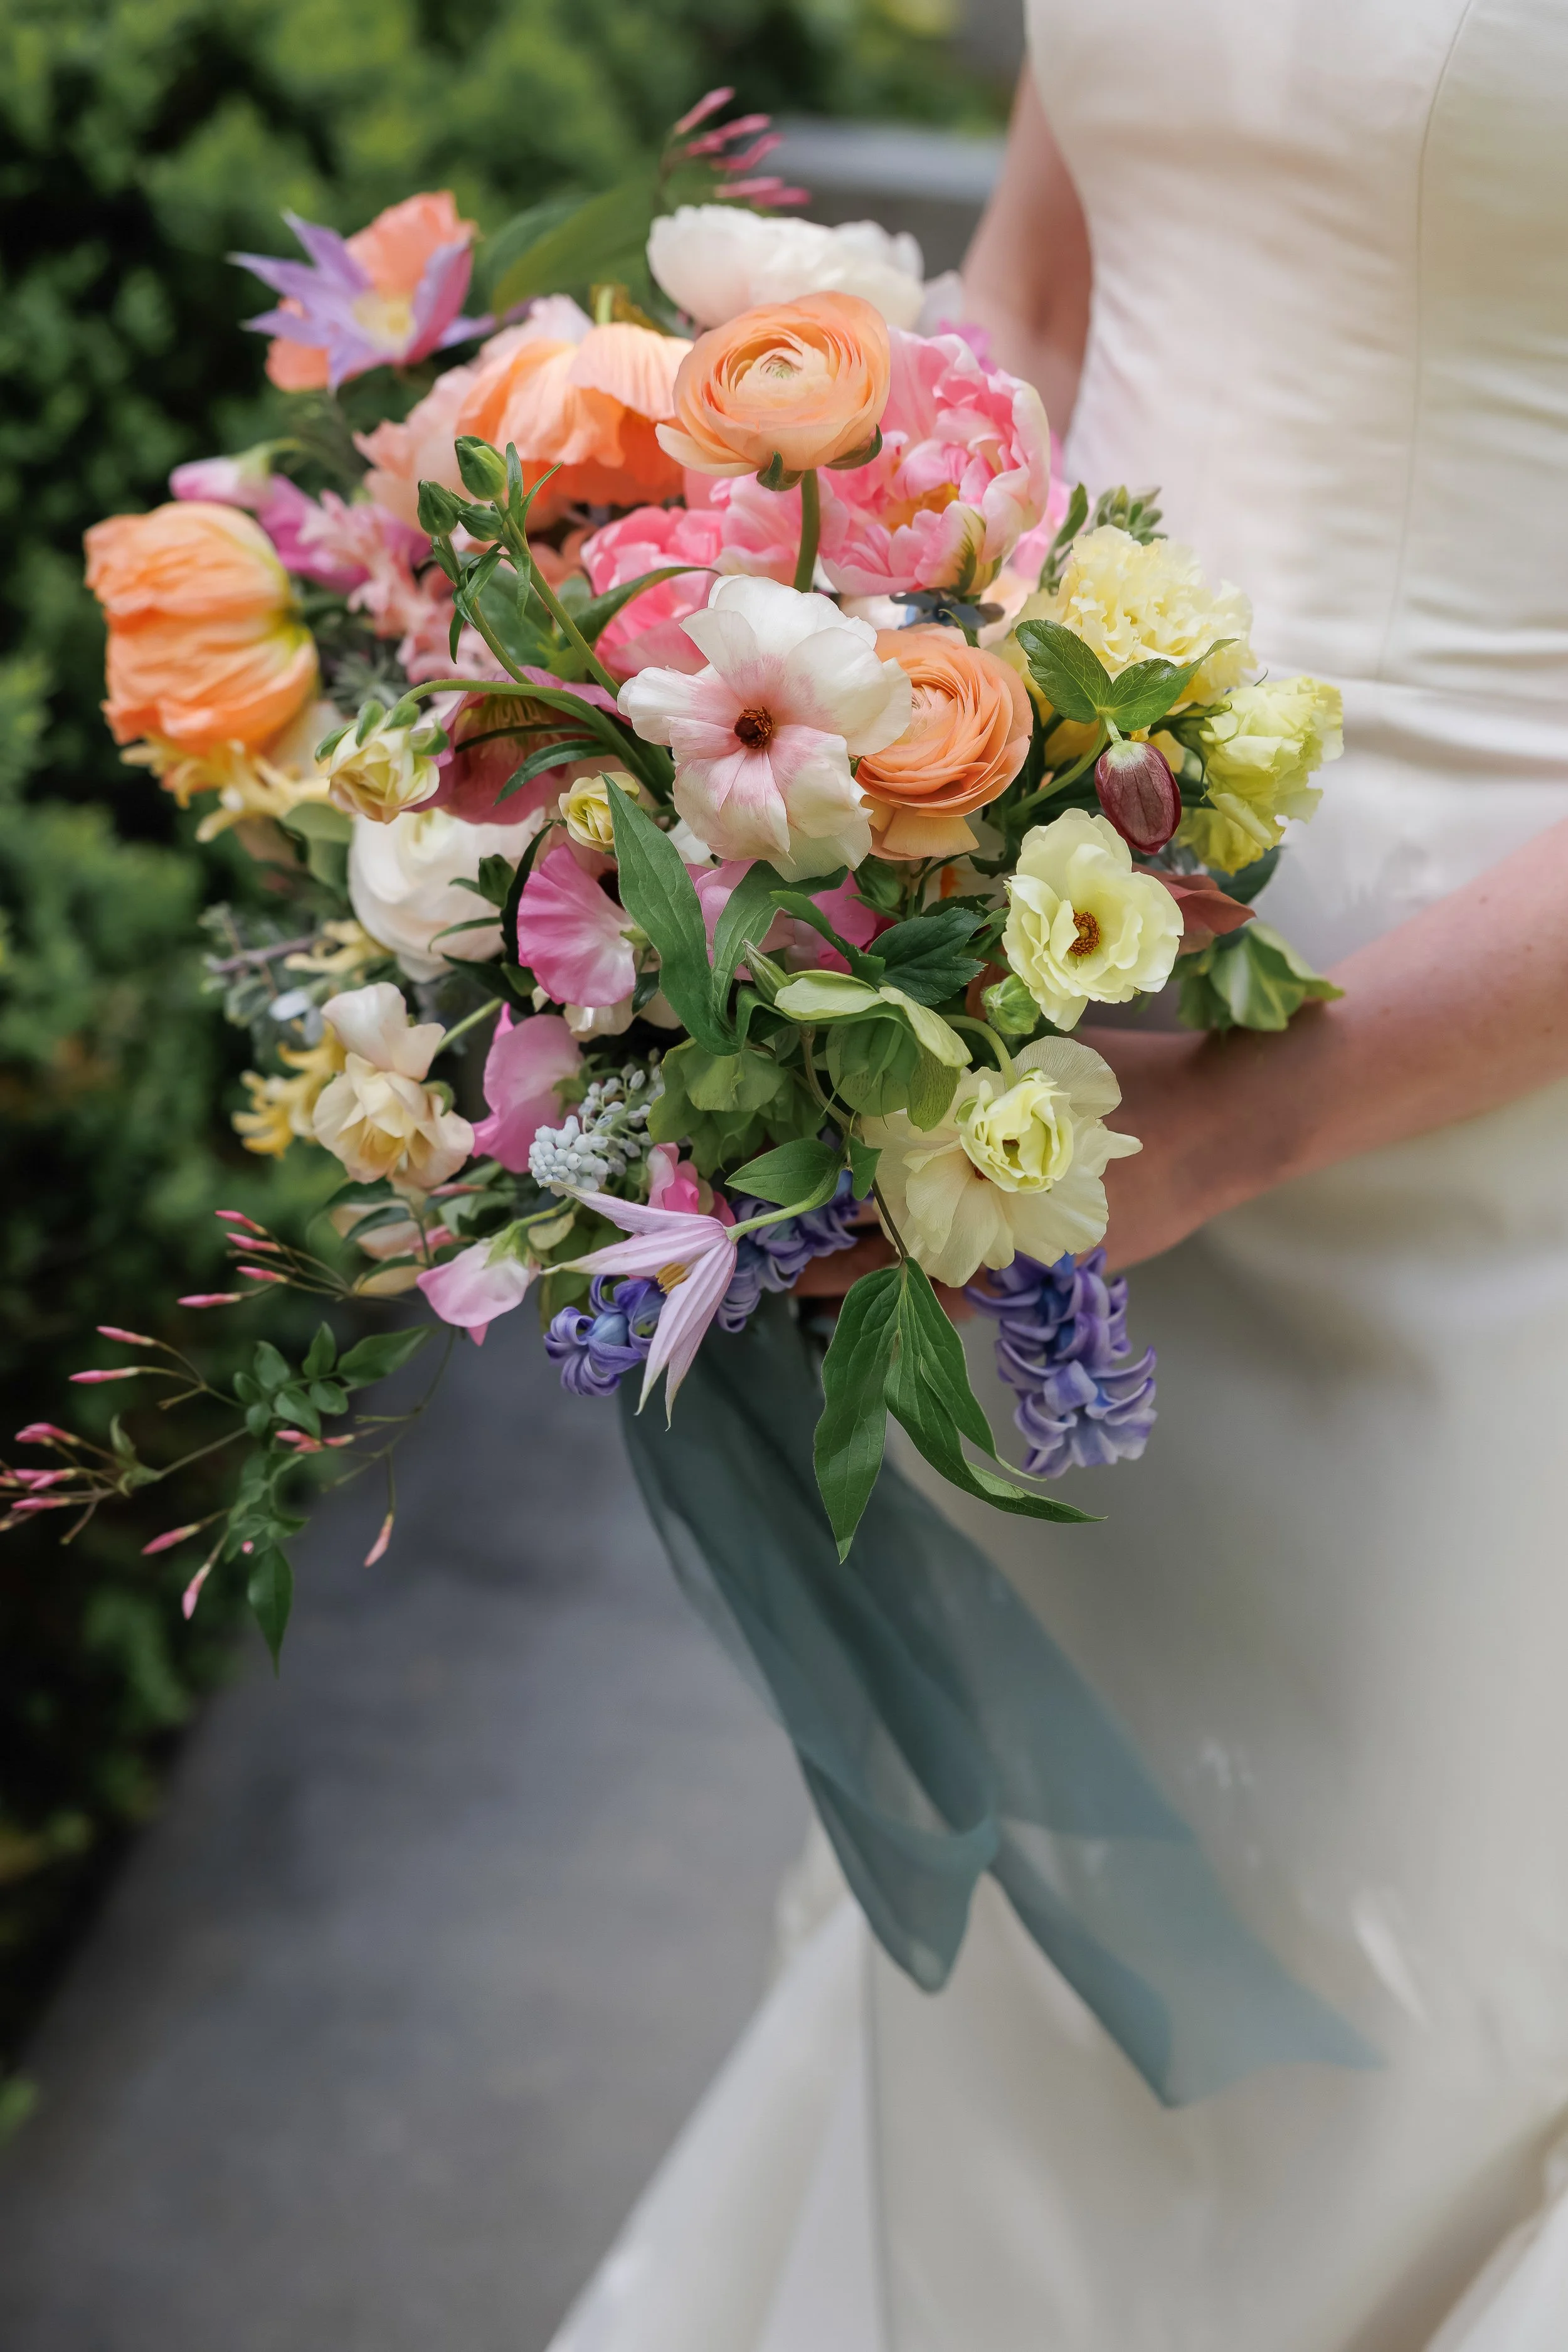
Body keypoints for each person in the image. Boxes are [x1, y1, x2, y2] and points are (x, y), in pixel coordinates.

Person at [551, 5, 1568, 2344]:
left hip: (1476, 1118)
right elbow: (1038, 292)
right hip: (1033, 987)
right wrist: (773, 669)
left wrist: (1255, 1112)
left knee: (1399, 2026)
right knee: (1047, 2018)